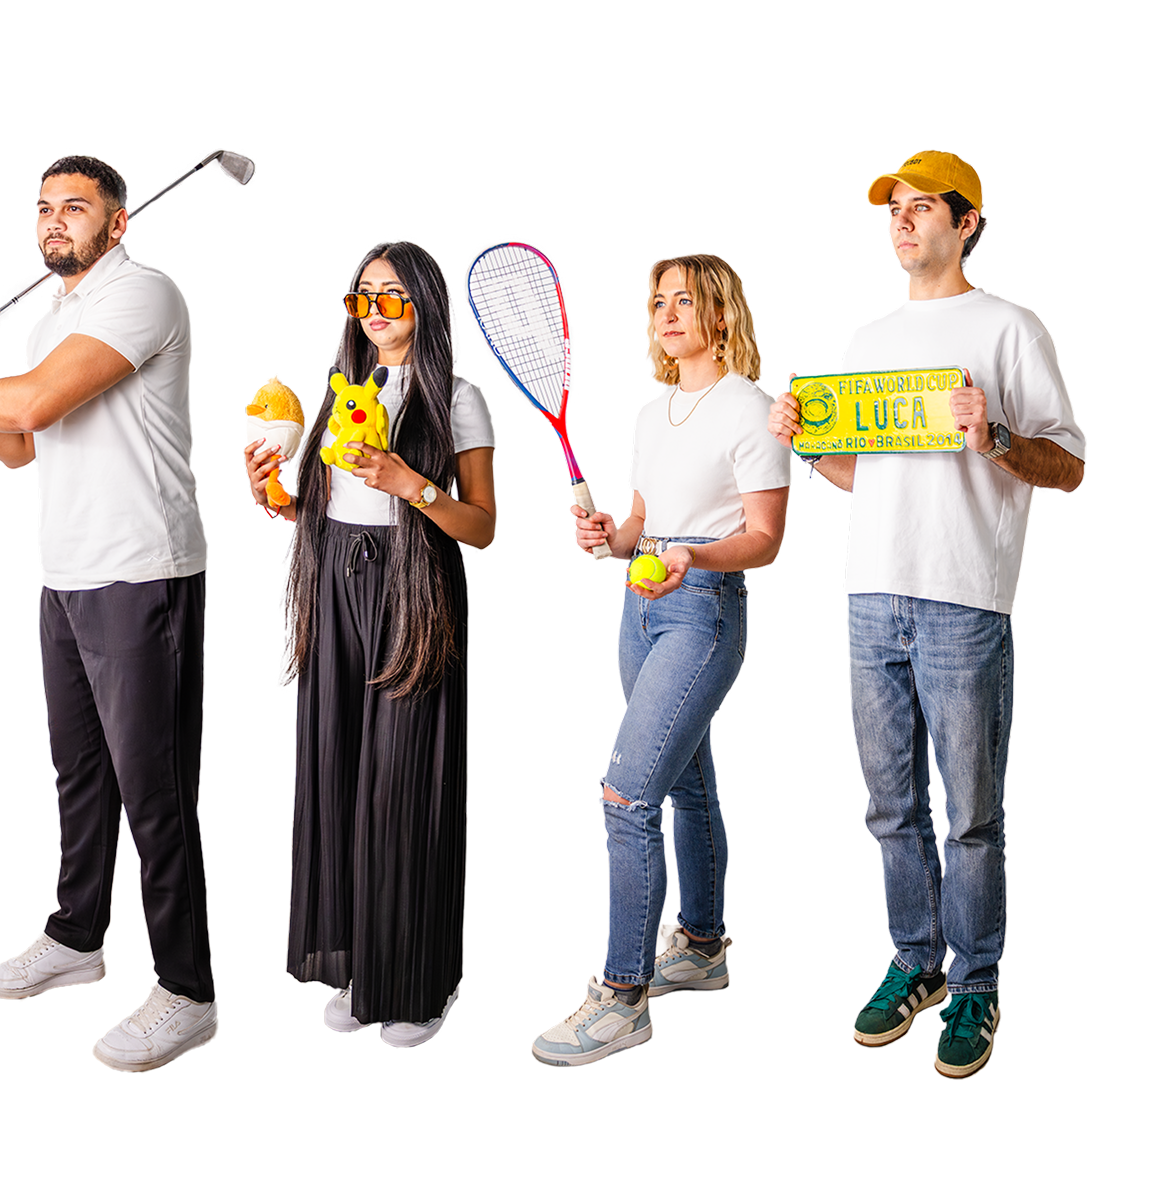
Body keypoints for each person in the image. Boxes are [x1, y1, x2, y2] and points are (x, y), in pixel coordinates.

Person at [768, 149, 1084, 1081]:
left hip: (964, 598)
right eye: (893, 211)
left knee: (973, 813)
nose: (900, 222)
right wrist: (803, 450)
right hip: (871, 593)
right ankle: (916, 962)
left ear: (967, 222)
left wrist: (990, 436)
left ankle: (978, 979)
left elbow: (1068, 464)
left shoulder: (1011, 328)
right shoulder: (866, 340)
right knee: (891, 806)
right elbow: (864, 481)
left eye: (919, 208)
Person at [0, 152, 221, 1073]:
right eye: (45, 209)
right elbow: (18, 444)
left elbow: (43, 397)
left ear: (119, 221)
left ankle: (187, 990)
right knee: (79, 778)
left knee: (155, 792)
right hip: (67, 573)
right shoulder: (56, 313)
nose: (55, 223)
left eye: (76, 209)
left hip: (144, 577)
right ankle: (76, 937)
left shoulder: (148, 294)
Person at [527, 253, 786, 1066]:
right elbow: (641, 521)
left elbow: (766, 540)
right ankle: (703, 947)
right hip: (638, 609)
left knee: (625, 797)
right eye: (659, 302)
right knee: (685, 782)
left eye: (687, 301)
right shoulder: (649, 413)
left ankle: (622, 994)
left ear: (721, 317)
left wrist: (690, 559)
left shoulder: (752, 409)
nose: (669, 314)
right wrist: (609, 537)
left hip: (703, 615)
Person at [241, 233, 497, 1048]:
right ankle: (364, 965)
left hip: (410, 592)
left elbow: (482, 529)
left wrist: (409, 483)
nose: (374, 311)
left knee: (402, 786)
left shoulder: (455, 397)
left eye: (390, 295)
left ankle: (422, 982)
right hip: (334, 587)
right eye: (361, 297)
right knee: (337, 773)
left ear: (424, 302)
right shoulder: (341, 388)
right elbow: (315, 504)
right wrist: (276, 499)